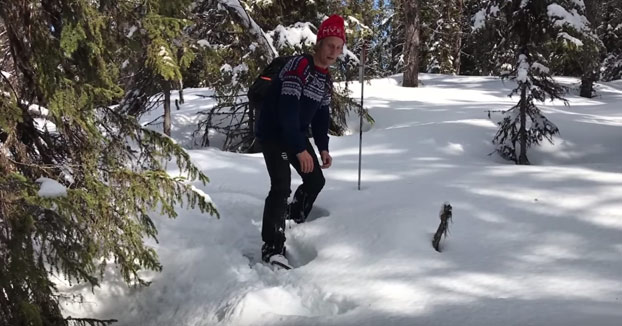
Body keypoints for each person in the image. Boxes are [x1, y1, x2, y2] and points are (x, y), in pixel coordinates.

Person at [255, 14, 346, 266]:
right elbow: (287, 110)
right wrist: (299, 149)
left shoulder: (324, 78)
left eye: (339, 48)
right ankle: (272, 247)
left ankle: (292, 218)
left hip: (293, 133)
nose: (334, 52)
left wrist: (323, 147)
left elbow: (320, 115)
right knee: (281, 186)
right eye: (330, 45)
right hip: (274, 134)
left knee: (315, 179)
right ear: (320, 43)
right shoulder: (299, 67)